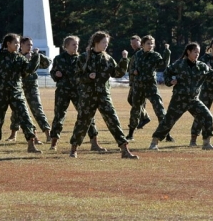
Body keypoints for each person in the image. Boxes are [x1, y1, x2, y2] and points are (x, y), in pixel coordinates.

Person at [69, 31, 138, 159]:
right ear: (96, 42)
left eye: (107, 42)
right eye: (104, 42)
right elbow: (76, 77)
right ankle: (73, 149)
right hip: (88, 97)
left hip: (103, 96)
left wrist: (124, 60)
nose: (106, 45)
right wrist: (88, 77)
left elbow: (117, 73)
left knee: (113, 121)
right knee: (82, 122)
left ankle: (125, 150)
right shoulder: (83, 58)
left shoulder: (107, 58)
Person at [149, 42, 213, 151]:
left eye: (198, 52)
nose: (197, 54)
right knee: (168, 121)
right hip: (179, 99)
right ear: (188, 52)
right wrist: (170, 81)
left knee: (207, 117)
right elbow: (167, 72)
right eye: (195, 52)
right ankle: (154, 142)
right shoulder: (179, 64)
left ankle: (206, 143)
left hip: (193, 100)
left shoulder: (202, 66)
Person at [0, 33, 42, 153]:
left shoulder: (20, 58)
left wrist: (36, 57)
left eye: (18, 43)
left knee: (25, 117)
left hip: (16, 93)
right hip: (0, 93)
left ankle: (31, 145)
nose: (18, 45)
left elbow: (28, 70)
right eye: (15, 43)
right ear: (8, 44)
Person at [49, 35, 105, 152]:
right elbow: (53, 72)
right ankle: (53, 143)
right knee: (59, 116)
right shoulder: (58, 59)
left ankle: (94, 143)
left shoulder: (82, 59)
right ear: (66, 46)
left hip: (79, 91)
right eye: (73, 44)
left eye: (77, 44)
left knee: (87, 116)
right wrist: (56, 74)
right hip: (63, 91)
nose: (76, 46)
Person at [127, 35, 173, 141]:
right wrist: (133, 72)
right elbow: (131, 67)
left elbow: (163, 64)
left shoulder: (155, 55)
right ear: (142, 45)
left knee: (159, 109)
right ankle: (130, 134)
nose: (150, 46)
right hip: (138, 87)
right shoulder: (137, 55)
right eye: (148, 43)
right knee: (135, 110)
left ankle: (167, 134)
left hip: (150, 86)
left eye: (152, 43)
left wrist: (167, 51)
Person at [6, 37, 51, 144]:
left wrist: (37, 55)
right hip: (19, 87)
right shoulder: (17, 57)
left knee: (37, 109)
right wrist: (24, 58)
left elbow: (47, 63)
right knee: (17, 112)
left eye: (31, 45)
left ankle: (48, 134)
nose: (30, 47)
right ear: (21, 45)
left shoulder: (34, 56)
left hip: (32, 86)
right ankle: (13, 134)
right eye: (28, 45)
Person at [127, 35, 151, 133]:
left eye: (135, 43)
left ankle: (142, 119)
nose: (133, 45)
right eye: (132, 43)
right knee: (132, 100)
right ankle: (143, 118)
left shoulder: (142, 53)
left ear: (140, 42)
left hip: (141, 82)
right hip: (134, 82)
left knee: (139, 102)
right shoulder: (135, 53)